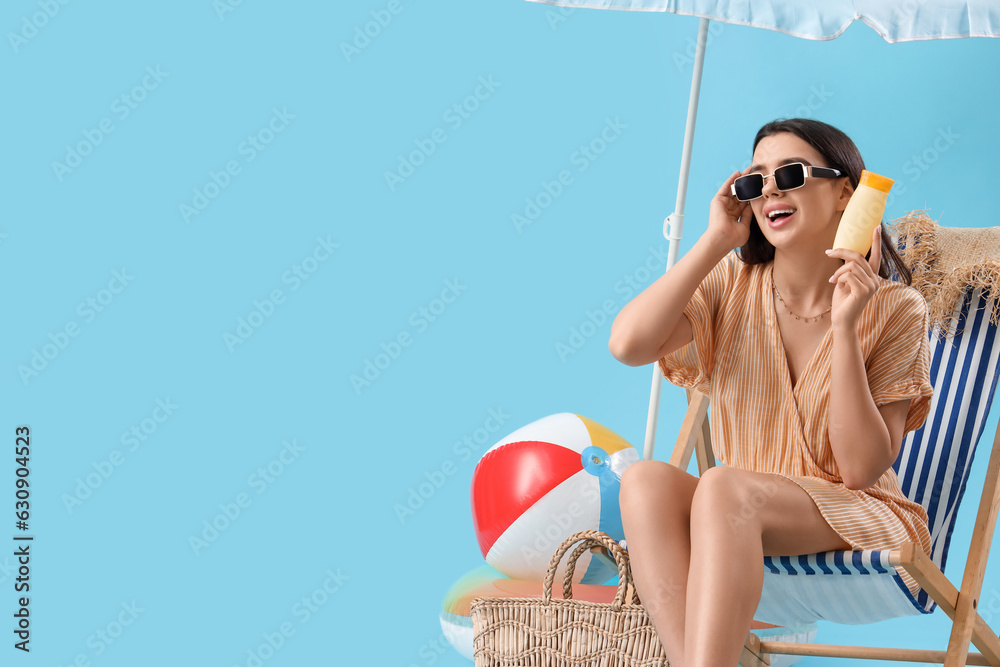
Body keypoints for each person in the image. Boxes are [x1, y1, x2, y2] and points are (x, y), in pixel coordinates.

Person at [607, 118, 934, 667]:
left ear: (844, 194)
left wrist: (847, 328)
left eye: (789, 173)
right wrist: (715, 242)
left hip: (857, 514)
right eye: (755, 181)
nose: (770, 191)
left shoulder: (896, 310)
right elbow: (627, 344)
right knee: (644, 481)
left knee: (722, 487)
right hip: (735, 509)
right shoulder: (731, 286)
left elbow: (859, 469)